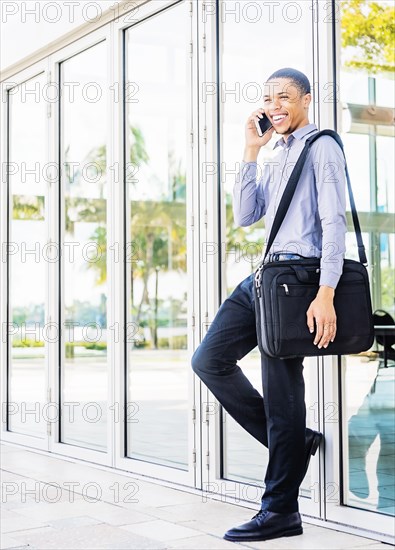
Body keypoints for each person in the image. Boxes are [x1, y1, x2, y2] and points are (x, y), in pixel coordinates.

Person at [191, 67, 347, 542]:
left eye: (284, 97)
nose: (275, 106)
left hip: (299, 282)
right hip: (264, 274)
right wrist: (251, 150)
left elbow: (334, 222)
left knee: (282, 394)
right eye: (267, 98)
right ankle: (297, 444)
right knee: (209, 360)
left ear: (306, 98)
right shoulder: (274, 150)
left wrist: (326, 292)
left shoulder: (321, 147)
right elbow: (244, 216)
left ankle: (280, 510)